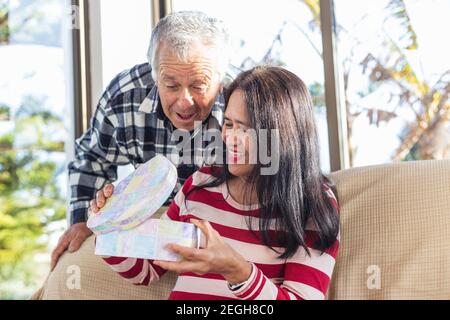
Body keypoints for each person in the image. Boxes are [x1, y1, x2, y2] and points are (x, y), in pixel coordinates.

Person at [96, 66, 340, 300]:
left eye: (245, 130)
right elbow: (147, 270)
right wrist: (109, 227)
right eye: (229, 124)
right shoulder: (202, 184)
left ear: (282, 137)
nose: (230, 138)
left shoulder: (313, 204)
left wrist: (237, 270)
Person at [50, 11, 232, 270]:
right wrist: (81, 221)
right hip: (151, 222)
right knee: (70, 269)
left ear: (220, 80)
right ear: (155, 74)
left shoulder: (244, 99)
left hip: (223, 226)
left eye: (199, 85)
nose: (184, 102)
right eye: (170, 85)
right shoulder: (125, 95)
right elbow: (91, 161)